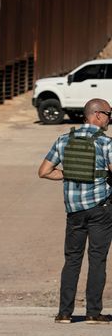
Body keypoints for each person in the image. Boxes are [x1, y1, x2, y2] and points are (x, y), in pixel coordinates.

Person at [38, 98, 112, 324]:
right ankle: (93, 312)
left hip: (74, 211)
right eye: (109, 114)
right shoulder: (106, 143)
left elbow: (44, 171)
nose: (110, 119)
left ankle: (64, 313)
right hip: (100, 209)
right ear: (97, 115)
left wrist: (70, 174)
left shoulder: (63, 140)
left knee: (72, 260)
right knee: (97, 259)